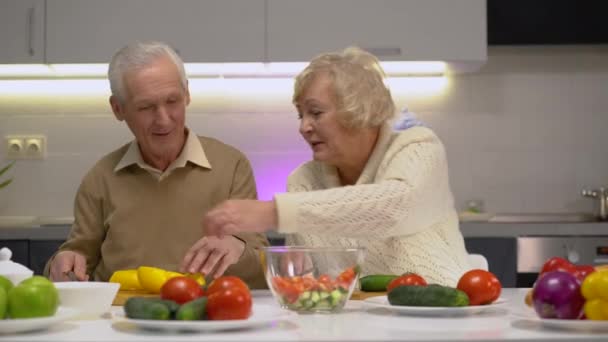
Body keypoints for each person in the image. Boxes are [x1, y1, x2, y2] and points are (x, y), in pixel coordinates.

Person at [203, 47, 471, 286]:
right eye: (301, 114)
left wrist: (274, 212)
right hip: (355, 325)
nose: (303, 127)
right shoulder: (303, 181)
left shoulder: (418, 146)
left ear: (358, 109)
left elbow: (395, 207)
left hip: (447, 315)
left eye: (315, 113)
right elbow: (303, 280)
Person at [44, 41, 268, 288]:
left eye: (172, 101)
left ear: (187, 94)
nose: (163, 119)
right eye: (146, 107)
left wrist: (239, 250)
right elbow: (75, 260)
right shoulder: (100, 178)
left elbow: (262, 268)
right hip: (119, 322)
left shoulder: (231, 166)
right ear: (118, 109)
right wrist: (61, 263)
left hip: (206, 317)